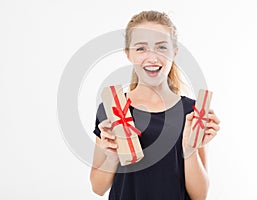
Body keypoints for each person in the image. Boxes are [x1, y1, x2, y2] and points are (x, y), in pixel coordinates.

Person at [90, 10, 220, 200]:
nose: (152, 58)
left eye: (161, 47)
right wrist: (112, 158)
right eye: (141, 48)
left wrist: (190, 150)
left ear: (174, 52)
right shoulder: (112, 109)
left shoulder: (192, 113)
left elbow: (200, 195)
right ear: (129, 54)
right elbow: (97, 187)